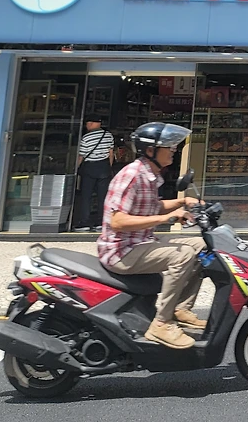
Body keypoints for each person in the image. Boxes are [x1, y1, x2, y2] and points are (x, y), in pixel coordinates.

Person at [97, 122, 205, 350]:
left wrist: (183, 202)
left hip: (141, 241)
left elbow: (152, 206)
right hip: (121, 250)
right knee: (183, 255)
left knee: (202, 245)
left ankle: (180, 308)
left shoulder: (150, 175)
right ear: (150, 150)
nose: (174, 150)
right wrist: (166, 218)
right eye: (169, 146)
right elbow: (117, 221)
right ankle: (161, 323)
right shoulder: (132, 175)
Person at [73, 116, 114, 231]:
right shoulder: (108, 135)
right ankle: (101, 221)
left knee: (86, 196)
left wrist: (75, 168)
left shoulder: (86, 138)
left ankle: (85, 222)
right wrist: (108, 167)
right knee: (103, 196)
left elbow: (81, 156)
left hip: (90, 167)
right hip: (104, 167)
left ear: (91, 123)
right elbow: (110, 154)